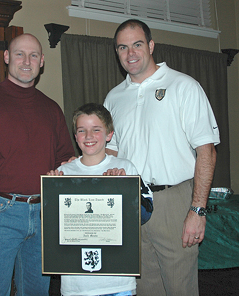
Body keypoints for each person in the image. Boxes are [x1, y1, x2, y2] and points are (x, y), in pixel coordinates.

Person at [0, 33, 75, 296]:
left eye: (33, 55)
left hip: (43, 215)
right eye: (19, 54)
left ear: (42, 61)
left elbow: (65, 161)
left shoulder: (51, 109)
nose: (26, 61)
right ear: (7, 57)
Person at [103, 19, 219, 296]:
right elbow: (110, 152)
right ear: (117, 53)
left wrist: (197, 210)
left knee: (181, 288)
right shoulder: (113, 98)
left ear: (151, 45)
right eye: (122, 47)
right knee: (143, 288)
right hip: (131, 203)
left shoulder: (184, 86)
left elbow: (207, 151)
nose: (130, 53)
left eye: (137, 44)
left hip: (174, 203)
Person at [48, 102, 153, 296]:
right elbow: (49, 227)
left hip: (118, 281)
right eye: (82, 130)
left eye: (96, 130)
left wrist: (125, 188)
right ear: (75, 136)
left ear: (109, 134)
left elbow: (145, 214)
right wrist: (52, 196)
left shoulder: (125, 168)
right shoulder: (63, 173)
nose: (88, 136)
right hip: (76, 283)